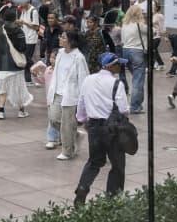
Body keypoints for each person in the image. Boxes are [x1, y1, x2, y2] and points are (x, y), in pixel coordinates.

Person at [74, 54, 132, 201]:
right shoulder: (117, 84)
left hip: (93, 127)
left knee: (94, 162)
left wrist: (81, 119)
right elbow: (124, 109)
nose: (120, 67)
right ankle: (112, 199)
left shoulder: (88, 80)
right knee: (117, 164)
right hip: (113, 129)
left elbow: (81, 102)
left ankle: (82, 188)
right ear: (110, 66)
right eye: (118, 64)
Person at [49, 30, 88, 160]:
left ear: (71, 41)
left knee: (67, 124)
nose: (60, 38)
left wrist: (83, 99)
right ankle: (75, 134)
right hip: (57, 92)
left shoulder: (79, 57)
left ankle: (68, 152)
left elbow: (83, 78)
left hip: (71, 95)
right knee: (54, 119)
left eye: (63, 37)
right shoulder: (60, 54)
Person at [0, 6, 33, 119]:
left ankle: (1, 112)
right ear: (15, 18)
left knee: (2, 89)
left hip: (2, 64)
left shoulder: (0, 30)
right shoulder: (18, 30)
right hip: (15, 64)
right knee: (19, 88)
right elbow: (22, 47)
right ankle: (21, 111)